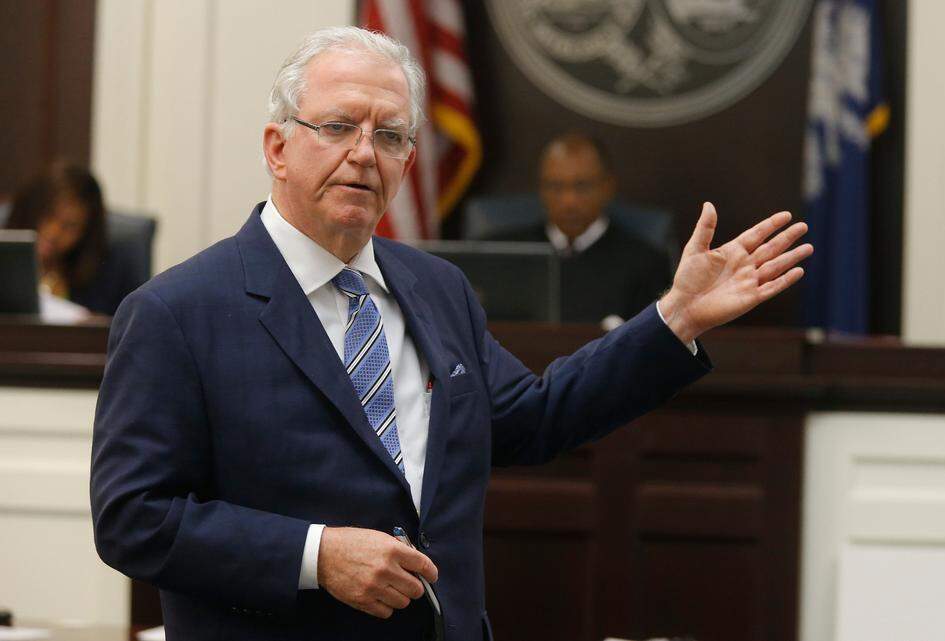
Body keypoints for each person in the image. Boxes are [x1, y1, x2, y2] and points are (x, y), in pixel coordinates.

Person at [89, 27, 812, 641]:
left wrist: (674, 319)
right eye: (338, 127)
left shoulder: (438, 290)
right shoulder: (176, 312)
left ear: (408, 162)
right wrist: (314, 555)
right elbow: (132, 518)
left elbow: (533, 418)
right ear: (278, 147)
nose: (364, 152)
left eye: (390, 135)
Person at [489, 133, 673, 324]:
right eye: (556, 187)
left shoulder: (646, 264)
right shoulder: (503, 254)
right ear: (541, 189)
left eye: (582, 186)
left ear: (608, 187)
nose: (569, 201)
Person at [5, 161, 142, 316]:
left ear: (86, 233)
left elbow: (131, 323)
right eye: (48, 215)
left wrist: (98, 325)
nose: (53, 233)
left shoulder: (111, 270)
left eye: (70, 226)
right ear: (30, 209)